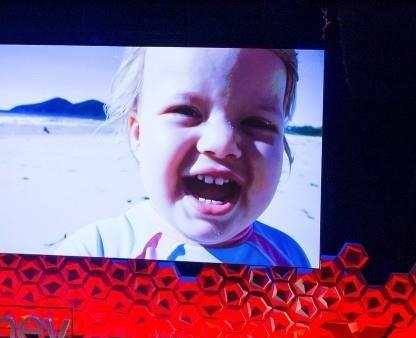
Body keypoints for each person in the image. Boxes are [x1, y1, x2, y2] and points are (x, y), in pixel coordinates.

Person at [52, 47, 309, 267]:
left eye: (258, 122)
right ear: (138, 134)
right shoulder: (92, 254)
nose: (222, 142)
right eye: (186, 110)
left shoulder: (291, 261)